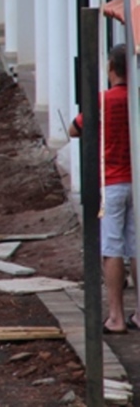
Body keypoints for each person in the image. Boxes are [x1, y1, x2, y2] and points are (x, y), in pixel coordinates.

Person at [69, 44, 139, 333]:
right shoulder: (135, 100)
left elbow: (75, 129)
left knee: (112, 249)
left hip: (111, 183)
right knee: (136, 248)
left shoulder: (102, 101)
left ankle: (116, 316)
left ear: (111, 68)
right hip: (137, 182)